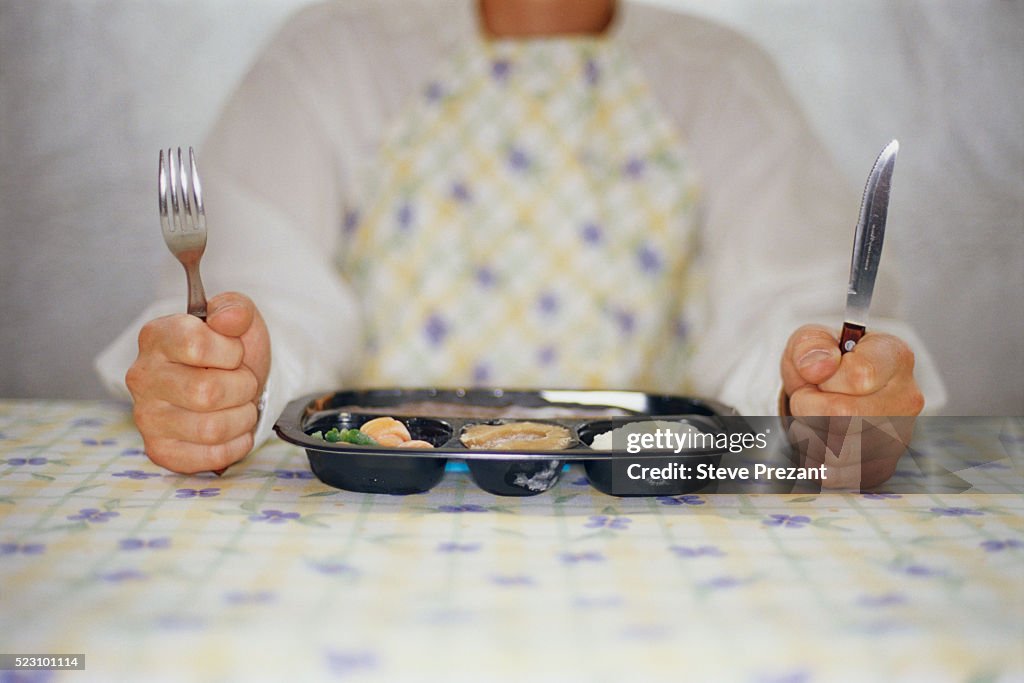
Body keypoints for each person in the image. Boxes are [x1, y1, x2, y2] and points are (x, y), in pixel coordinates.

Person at [96, 0, 941, 481]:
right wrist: (223, 376)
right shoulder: (329, 55)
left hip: (647, 525)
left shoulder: (726, 79)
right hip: (376, 516)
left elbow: (787, 308)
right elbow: (270, 297)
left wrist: (823, 400)